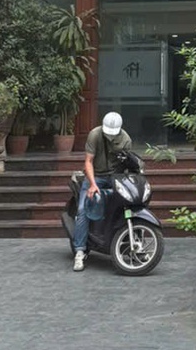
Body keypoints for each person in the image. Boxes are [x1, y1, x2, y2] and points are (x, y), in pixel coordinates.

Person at [72, 111, 132, 272]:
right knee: (83, 209)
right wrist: (92, 184)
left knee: (129, 204)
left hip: (115, 177)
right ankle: (79, 251)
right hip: (95, 176)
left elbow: (127, 163)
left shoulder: (126, 139)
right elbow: (88, 161)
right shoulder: (95, 135)